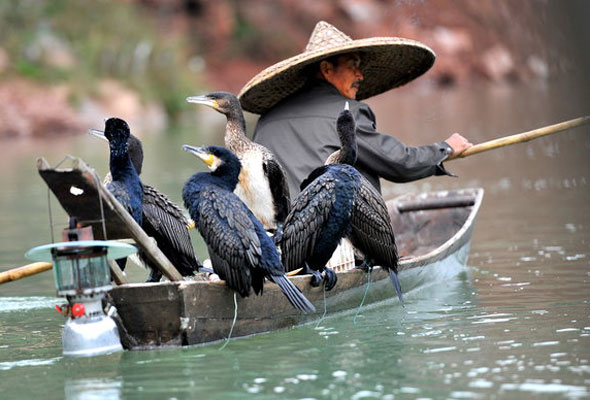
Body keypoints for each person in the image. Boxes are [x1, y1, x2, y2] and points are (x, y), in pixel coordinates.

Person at [238, 21, 472, 196]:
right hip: (334, 245)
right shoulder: (347, 113)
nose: (360, 75)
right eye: (353, 66)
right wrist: (446, 149)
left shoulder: (266, 120)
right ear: (327, 69)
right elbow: (398, 163)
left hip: (277, 241)